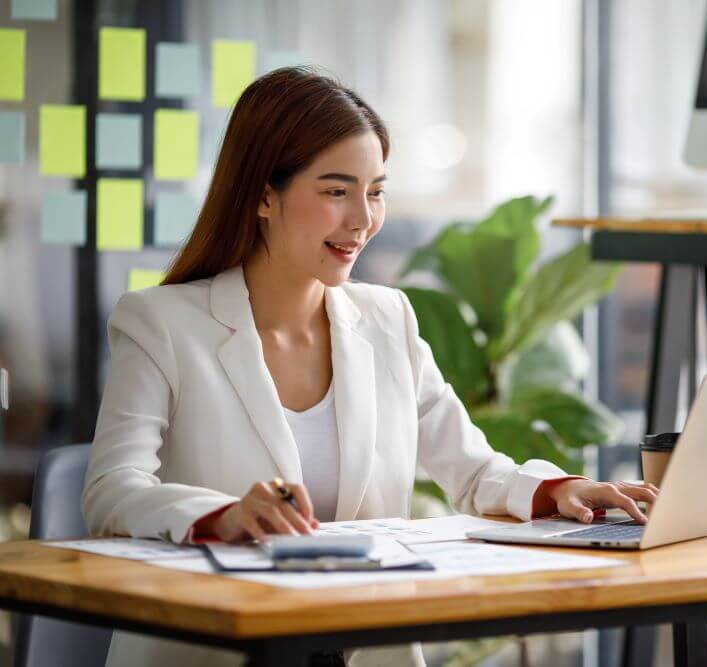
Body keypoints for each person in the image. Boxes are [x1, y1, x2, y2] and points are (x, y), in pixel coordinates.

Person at [81, 67, 657, 667]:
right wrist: (223, 517)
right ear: (262, 195)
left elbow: (473, 470)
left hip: (363, 648)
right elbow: (110, 492)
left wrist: (562, 491)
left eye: (375, 191)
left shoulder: (388, 319)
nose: (362, 219)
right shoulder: (160, 323)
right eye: (336, 191)